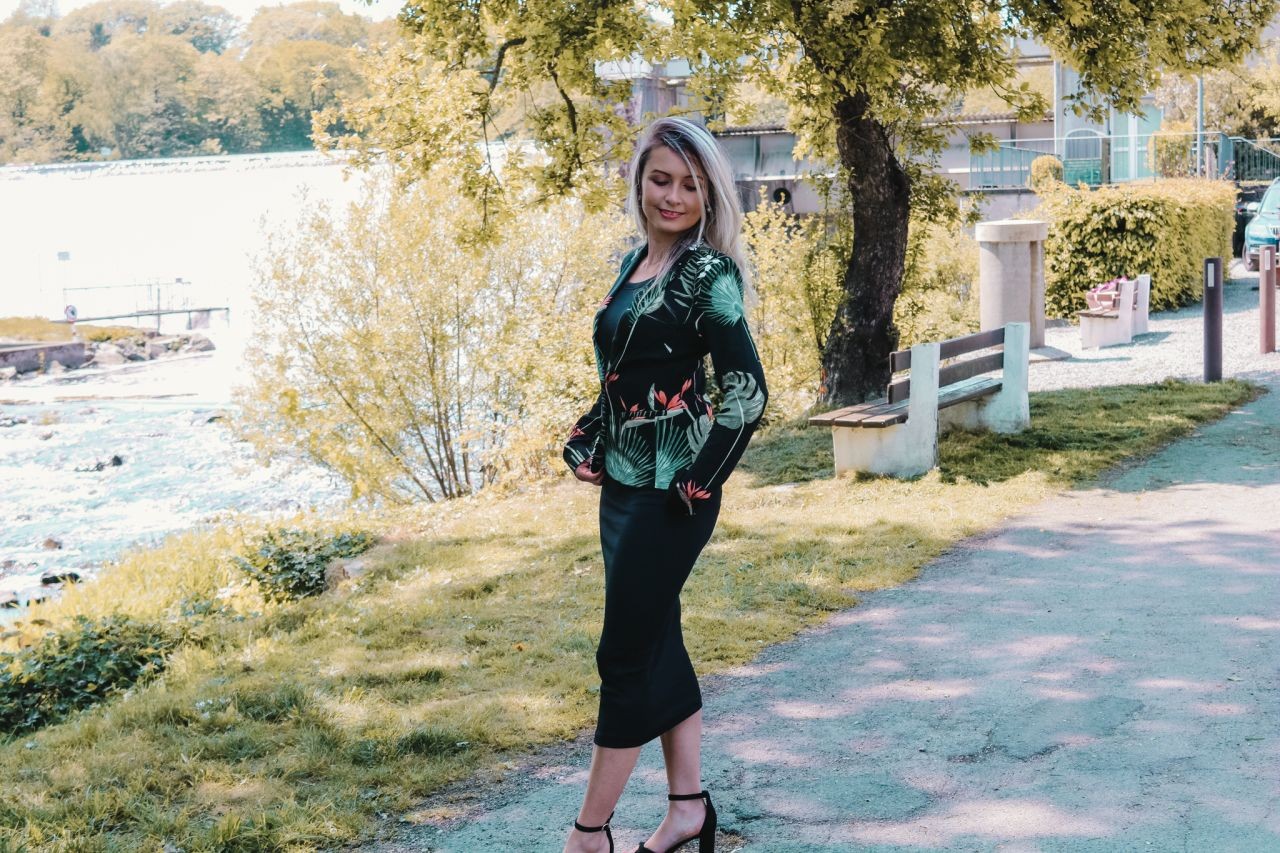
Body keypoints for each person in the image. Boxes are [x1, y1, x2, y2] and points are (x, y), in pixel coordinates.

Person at [561, 116, 768, 853]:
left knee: (623, 657)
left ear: (709, 195)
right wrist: (586, 437)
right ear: (639, 182)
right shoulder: (633, 264)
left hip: (672, 494)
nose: (672, 196)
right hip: (622, 490)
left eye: (690, 184)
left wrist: (698, 483)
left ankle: (589, 835)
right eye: (660, 179)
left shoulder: (707, 274)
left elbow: (747, 393)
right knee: (656, 642)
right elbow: (623, 376)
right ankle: (687, 809)